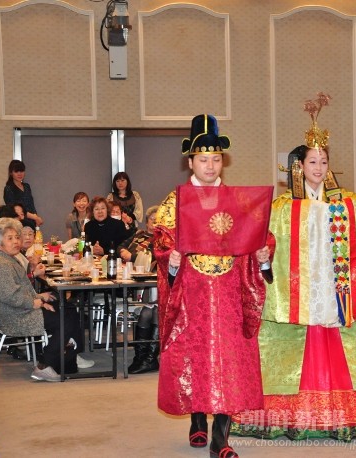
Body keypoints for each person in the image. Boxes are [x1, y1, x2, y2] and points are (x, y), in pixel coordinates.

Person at [232, 95, 356, 443]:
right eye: (312, 162)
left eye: (323, 162)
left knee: (353, 345)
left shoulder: (345, 202)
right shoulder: (284, 205)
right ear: (299, 166)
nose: (318, 168)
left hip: (338, 287)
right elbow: (273, 235)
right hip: (303, 287)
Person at [154, 114, 270, 458]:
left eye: (216, 159)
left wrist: (264, 253)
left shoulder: (238, 200)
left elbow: (260, 235)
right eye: (203, 159)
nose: (210, 166)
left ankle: (221, 438)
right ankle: (197, 420)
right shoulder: (174, 203)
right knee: (195, 358)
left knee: (228, 361)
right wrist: (170, 257)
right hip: (191, 293)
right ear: (190, 161)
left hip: (230, 293)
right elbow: (161, 242)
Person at [0, 218, 82, 382]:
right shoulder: (0, 264)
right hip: (15, 316)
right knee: (64, 318)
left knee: (68, 308)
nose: (16, 241)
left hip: (16, 309)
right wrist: (37, 302)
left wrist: (39, 296)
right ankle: (45, 365)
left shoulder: (3, 258)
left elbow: (16, 290)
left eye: (16, 237)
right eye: (10, 238)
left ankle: (68, 360)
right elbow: (10, 296)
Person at [119, 206, 159, 375]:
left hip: (159, 287)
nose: (155, 223)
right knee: (146, 312)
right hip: (144, 286)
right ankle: (141, 357)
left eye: (159, 220)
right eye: (153, 220)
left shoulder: (163, 240)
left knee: (152, 312)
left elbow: (154, 257)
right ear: (147, 222)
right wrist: (123, 251)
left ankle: (150, 359)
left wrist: (132, 256)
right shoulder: (139, 234)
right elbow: (121, 246)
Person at [2, 159, 43, 227]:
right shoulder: (8, 189)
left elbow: (31, 205)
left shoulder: (27, 186)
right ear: (11, 173)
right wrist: (34, 217)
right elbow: (14, 210)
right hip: (18, 222)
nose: (19, 174)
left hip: (32, 221)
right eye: (16, 171)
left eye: (21, 171)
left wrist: (36, 218)